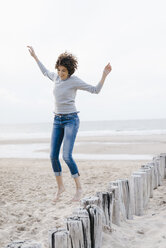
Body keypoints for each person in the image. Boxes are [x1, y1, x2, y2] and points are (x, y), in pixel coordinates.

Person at [27, 46, 112, 202]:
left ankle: (79, 189)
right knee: (53, 156)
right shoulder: (55, 78)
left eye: (64, 71)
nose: (60, 73)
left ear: (70, 71)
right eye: (59, 70)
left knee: (66, 156)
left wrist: (104, 75)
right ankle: (61, 188)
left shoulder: (74, 81)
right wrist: (35, 57)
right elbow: (45, 72)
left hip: (71, 120)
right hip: (57, 120)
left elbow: (95, 90)